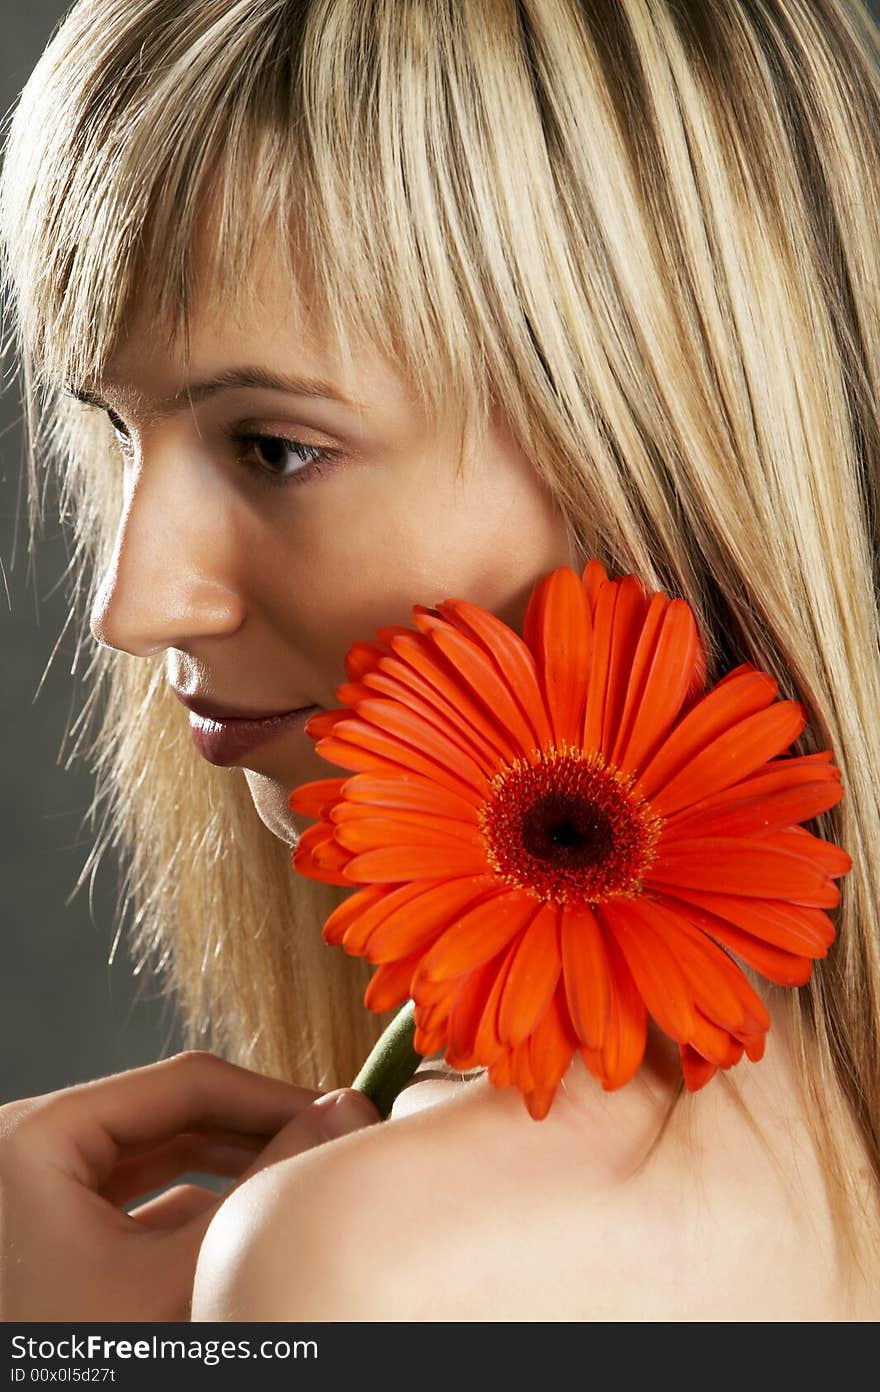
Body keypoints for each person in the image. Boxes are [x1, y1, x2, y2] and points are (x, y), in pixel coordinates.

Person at [1, 0, 879, 1323]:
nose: (132, 606)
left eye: (275, 448)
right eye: (115, 432)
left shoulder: (371, 1262)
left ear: (653, 446)